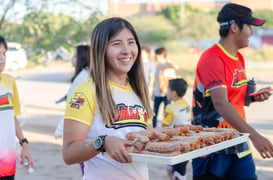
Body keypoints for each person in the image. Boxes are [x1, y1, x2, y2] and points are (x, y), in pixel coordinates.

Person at [62, 17, 153, 180]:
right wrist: (102, 142)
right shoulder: (85, 92)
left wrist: (184, 144)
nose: (126, 50)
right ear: (100, 50)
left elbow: (149, 139)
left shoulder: (139, 90)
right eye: (116, 44)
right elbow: (69, 153)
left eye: (131, 42)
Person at [191, 3, 273, 180]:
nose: (252, 32)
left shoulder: (239, 58)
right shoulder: (212, 58)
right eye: (249, 26)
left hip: (237, 139)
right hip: (211, 145)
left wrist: (253, 98)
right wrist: (255, 136)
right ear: (235, 28)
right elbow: (220, 103)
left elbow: (234, 98)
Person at [0, 35, 33, 179]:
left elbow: (11, 117)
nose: (2, 58)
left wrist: (23, 143)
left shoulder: (9, 81)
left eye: (4, 53)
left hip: (7, 159)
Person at [162, 78, 190, 180]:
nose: (166, 92)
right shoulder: (187, 104)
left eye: (167, 89)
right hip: (186, 141)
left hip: (175, 144)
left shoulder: (170, 108)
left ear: (173, 93)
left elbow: (164, 126)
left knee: (177, 172)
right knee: (176, 169)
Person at [152, 47, 176, 127]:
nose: (156, 57)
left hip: (166, 93)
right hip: (157, 93)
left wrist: (165, 65)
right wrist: (153, 93)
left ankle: (166, 129)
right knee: (154, 113)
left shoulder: (169, 63)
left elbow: (175, 67)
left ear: (161, 55)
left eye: (157, 55)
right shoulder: (158, 66)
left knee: (166, 112)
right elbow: (156, 80)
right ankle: (153, 128)